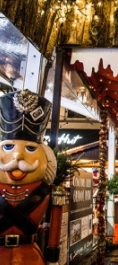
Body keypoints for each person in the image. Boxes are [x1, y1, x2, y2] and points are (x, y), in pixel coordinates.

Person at [0, 89, 62, 265]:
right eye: (8, 147)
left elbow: (55, 226)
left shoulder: (47, 191)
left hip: (30, 256)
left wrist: (52, 257)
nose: (17, 157)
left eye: (30, 149)